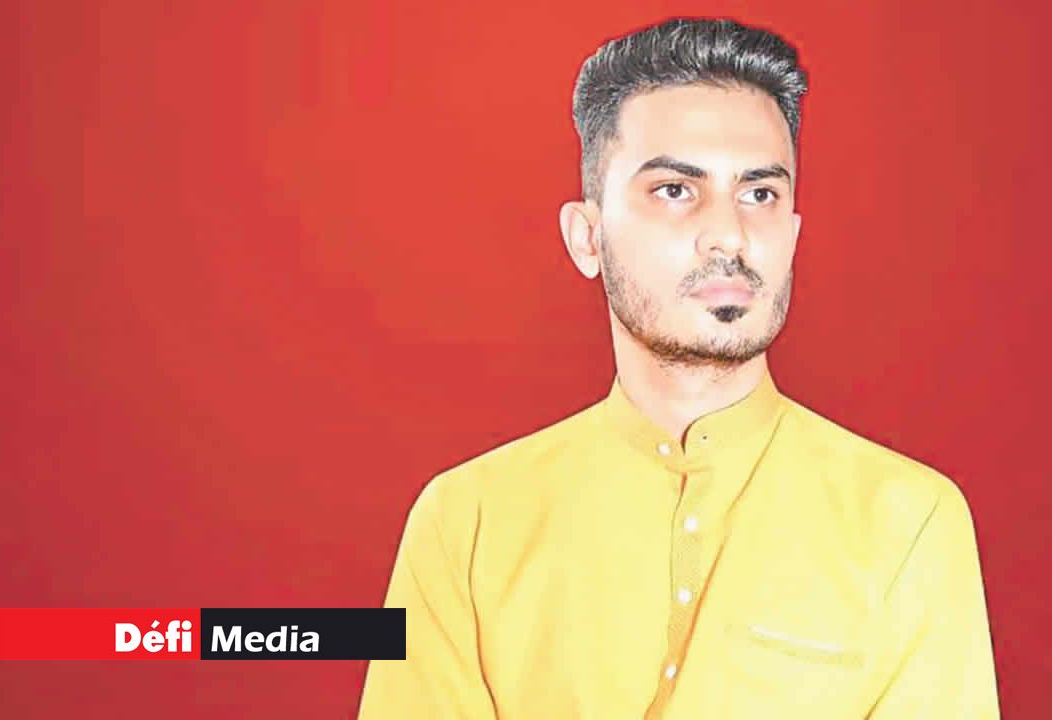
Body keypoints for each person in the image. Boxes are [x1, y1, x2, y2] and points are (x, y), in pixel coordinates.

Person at [358, 17, 999, 720]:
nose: (729, 234)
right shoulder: (467, 522)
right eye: (674, 189)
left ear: (792, 235)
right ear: (588, 238)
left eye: (760, 194)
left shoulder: (908, 519)